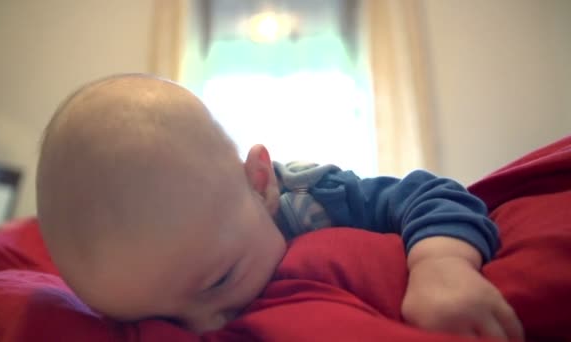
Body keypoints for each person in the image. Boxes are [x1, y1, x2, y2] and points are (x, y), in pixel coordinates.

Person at [36, 74, 523, 340]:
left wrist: (442, 265)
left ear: (260, 182)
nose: (209, 327)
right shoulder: (194, 251)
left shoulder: (319, 198)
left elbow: (432, 194)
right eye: (169, 322)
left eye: (219, 281)